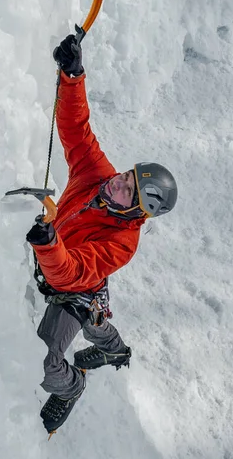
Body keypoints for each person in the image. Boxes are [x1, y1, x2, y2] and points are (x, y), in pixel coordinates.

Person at [26, 34, 178, 434]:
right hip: (62, 258)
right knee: (97, 324)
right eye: (126, 176)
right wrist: (73, 75)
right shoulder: (99, 176)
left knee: (45, 355)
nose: (118, 184)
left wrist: (48, 244)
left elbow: (72, 274)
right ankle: (116, 350)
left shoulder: (123, 243)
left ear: (139, 210)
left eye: (128, 189)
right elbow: (77, 131)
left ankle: (71, 387)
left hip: (77, 286)